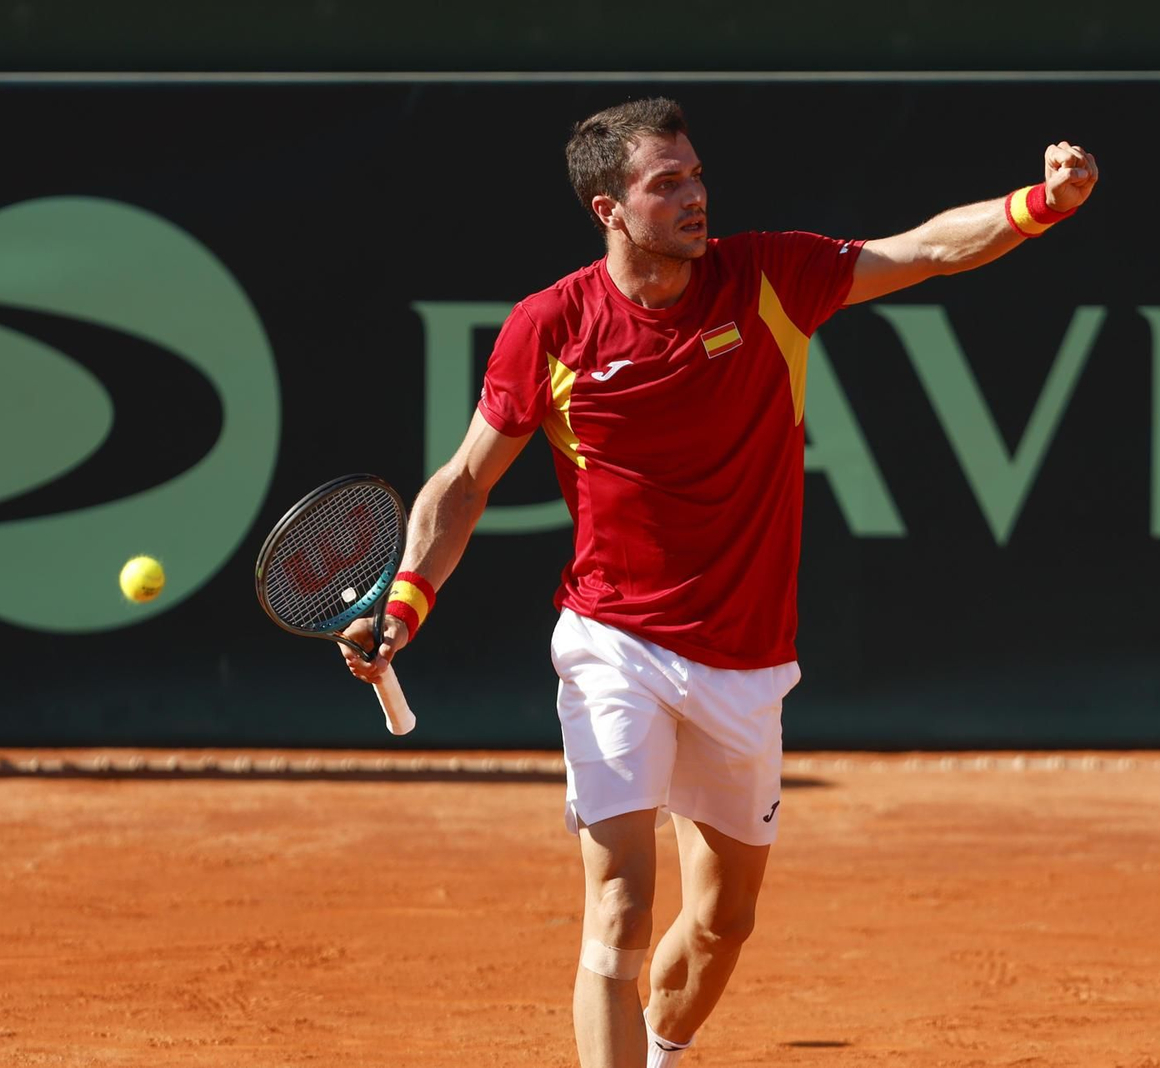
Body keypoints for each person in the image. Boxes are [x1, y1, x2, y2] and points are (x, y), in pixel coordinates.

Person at [342, 97, 1099, 1067]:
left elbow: (923, 251)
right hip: (610, 640)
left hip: (744, 659)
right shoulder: (552, 326)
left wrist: (1039, 203)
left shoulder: (768, 277)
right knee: (618, 902)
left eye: (696, 175)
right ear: (609, 207)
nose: (696, 197)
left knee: (723, 922)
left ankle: (666, 1050)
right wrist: (403, 603)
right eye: (669, 184)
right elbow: (461, 483)